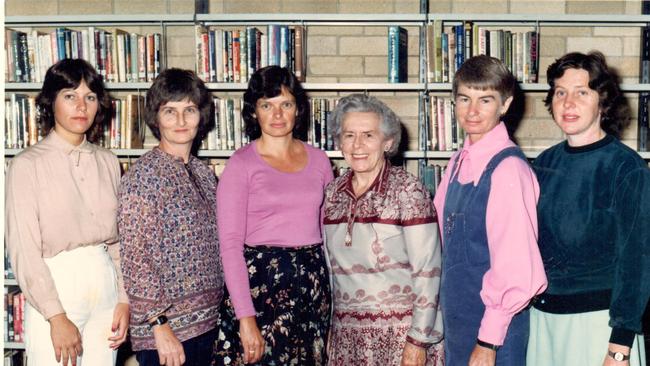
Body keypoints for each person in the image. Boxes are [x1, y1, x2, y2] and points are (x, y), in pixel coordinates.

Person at [527, 51, 650, 366]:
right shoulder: (543, 165)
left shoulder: (626, 167)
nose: (568, 103)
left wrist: (619, 347)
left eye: (582, 92)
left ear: (602, 101)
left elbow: (636, 262)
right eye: (560, 93)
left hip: (598, 327)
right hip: (543, 321)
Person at [5, 58, 129, 366]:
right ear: (51, 102)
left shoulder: (108, 162)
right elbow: (24, 250)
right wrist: (55, 315)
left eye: (89, 97)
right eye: (69, 96)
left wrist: (125, 300)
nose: (81, 106)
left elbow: (119, 243)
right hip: (56, 287)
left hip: (105, 288)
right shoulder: (26, 165)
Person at [213, 65, 333, 365]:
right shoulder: (241, 164)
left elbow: (327, 236)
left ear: (298, 110)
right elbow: (229, 246)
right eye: (267, 105)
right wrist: (245, 317)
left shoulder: (320, 161)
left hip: (311, 289)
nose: (277, 115)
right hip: (261, 292)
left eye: (286, 104)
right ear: (254, 112)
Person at [433, 55, 547, 366]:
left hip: (494, 334)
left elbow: (516, 268)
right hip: (458, 322)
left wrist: (488, 341)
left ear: (505, 105)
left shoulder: (508, 169)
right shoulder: (457, 163)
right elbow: (438, 239)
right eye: (464, 99)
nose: (472, 111)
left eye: (485, 100)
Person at [323, 94, 444, 366]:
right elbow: (332, 273)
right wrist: (331, 328)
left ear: (387, 142)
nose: (357, 145)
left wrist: (418, 340)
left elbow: (428, 270)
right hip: (347, 337)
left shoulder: (408, 191)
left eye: (368, 135)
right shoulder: (332, 194)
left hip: (402, 338)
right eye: (349, 135)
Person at [118, 68, 224, 366]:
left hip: (207, 326)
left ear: (201, 115)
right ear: (156, 117)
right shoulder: (143, 176)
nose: (180, 121)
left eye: (189, 110)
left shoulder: (204, 173)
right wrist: (159, 325)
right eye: (170, 111)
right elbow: (135, 257)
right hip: (168, 334)